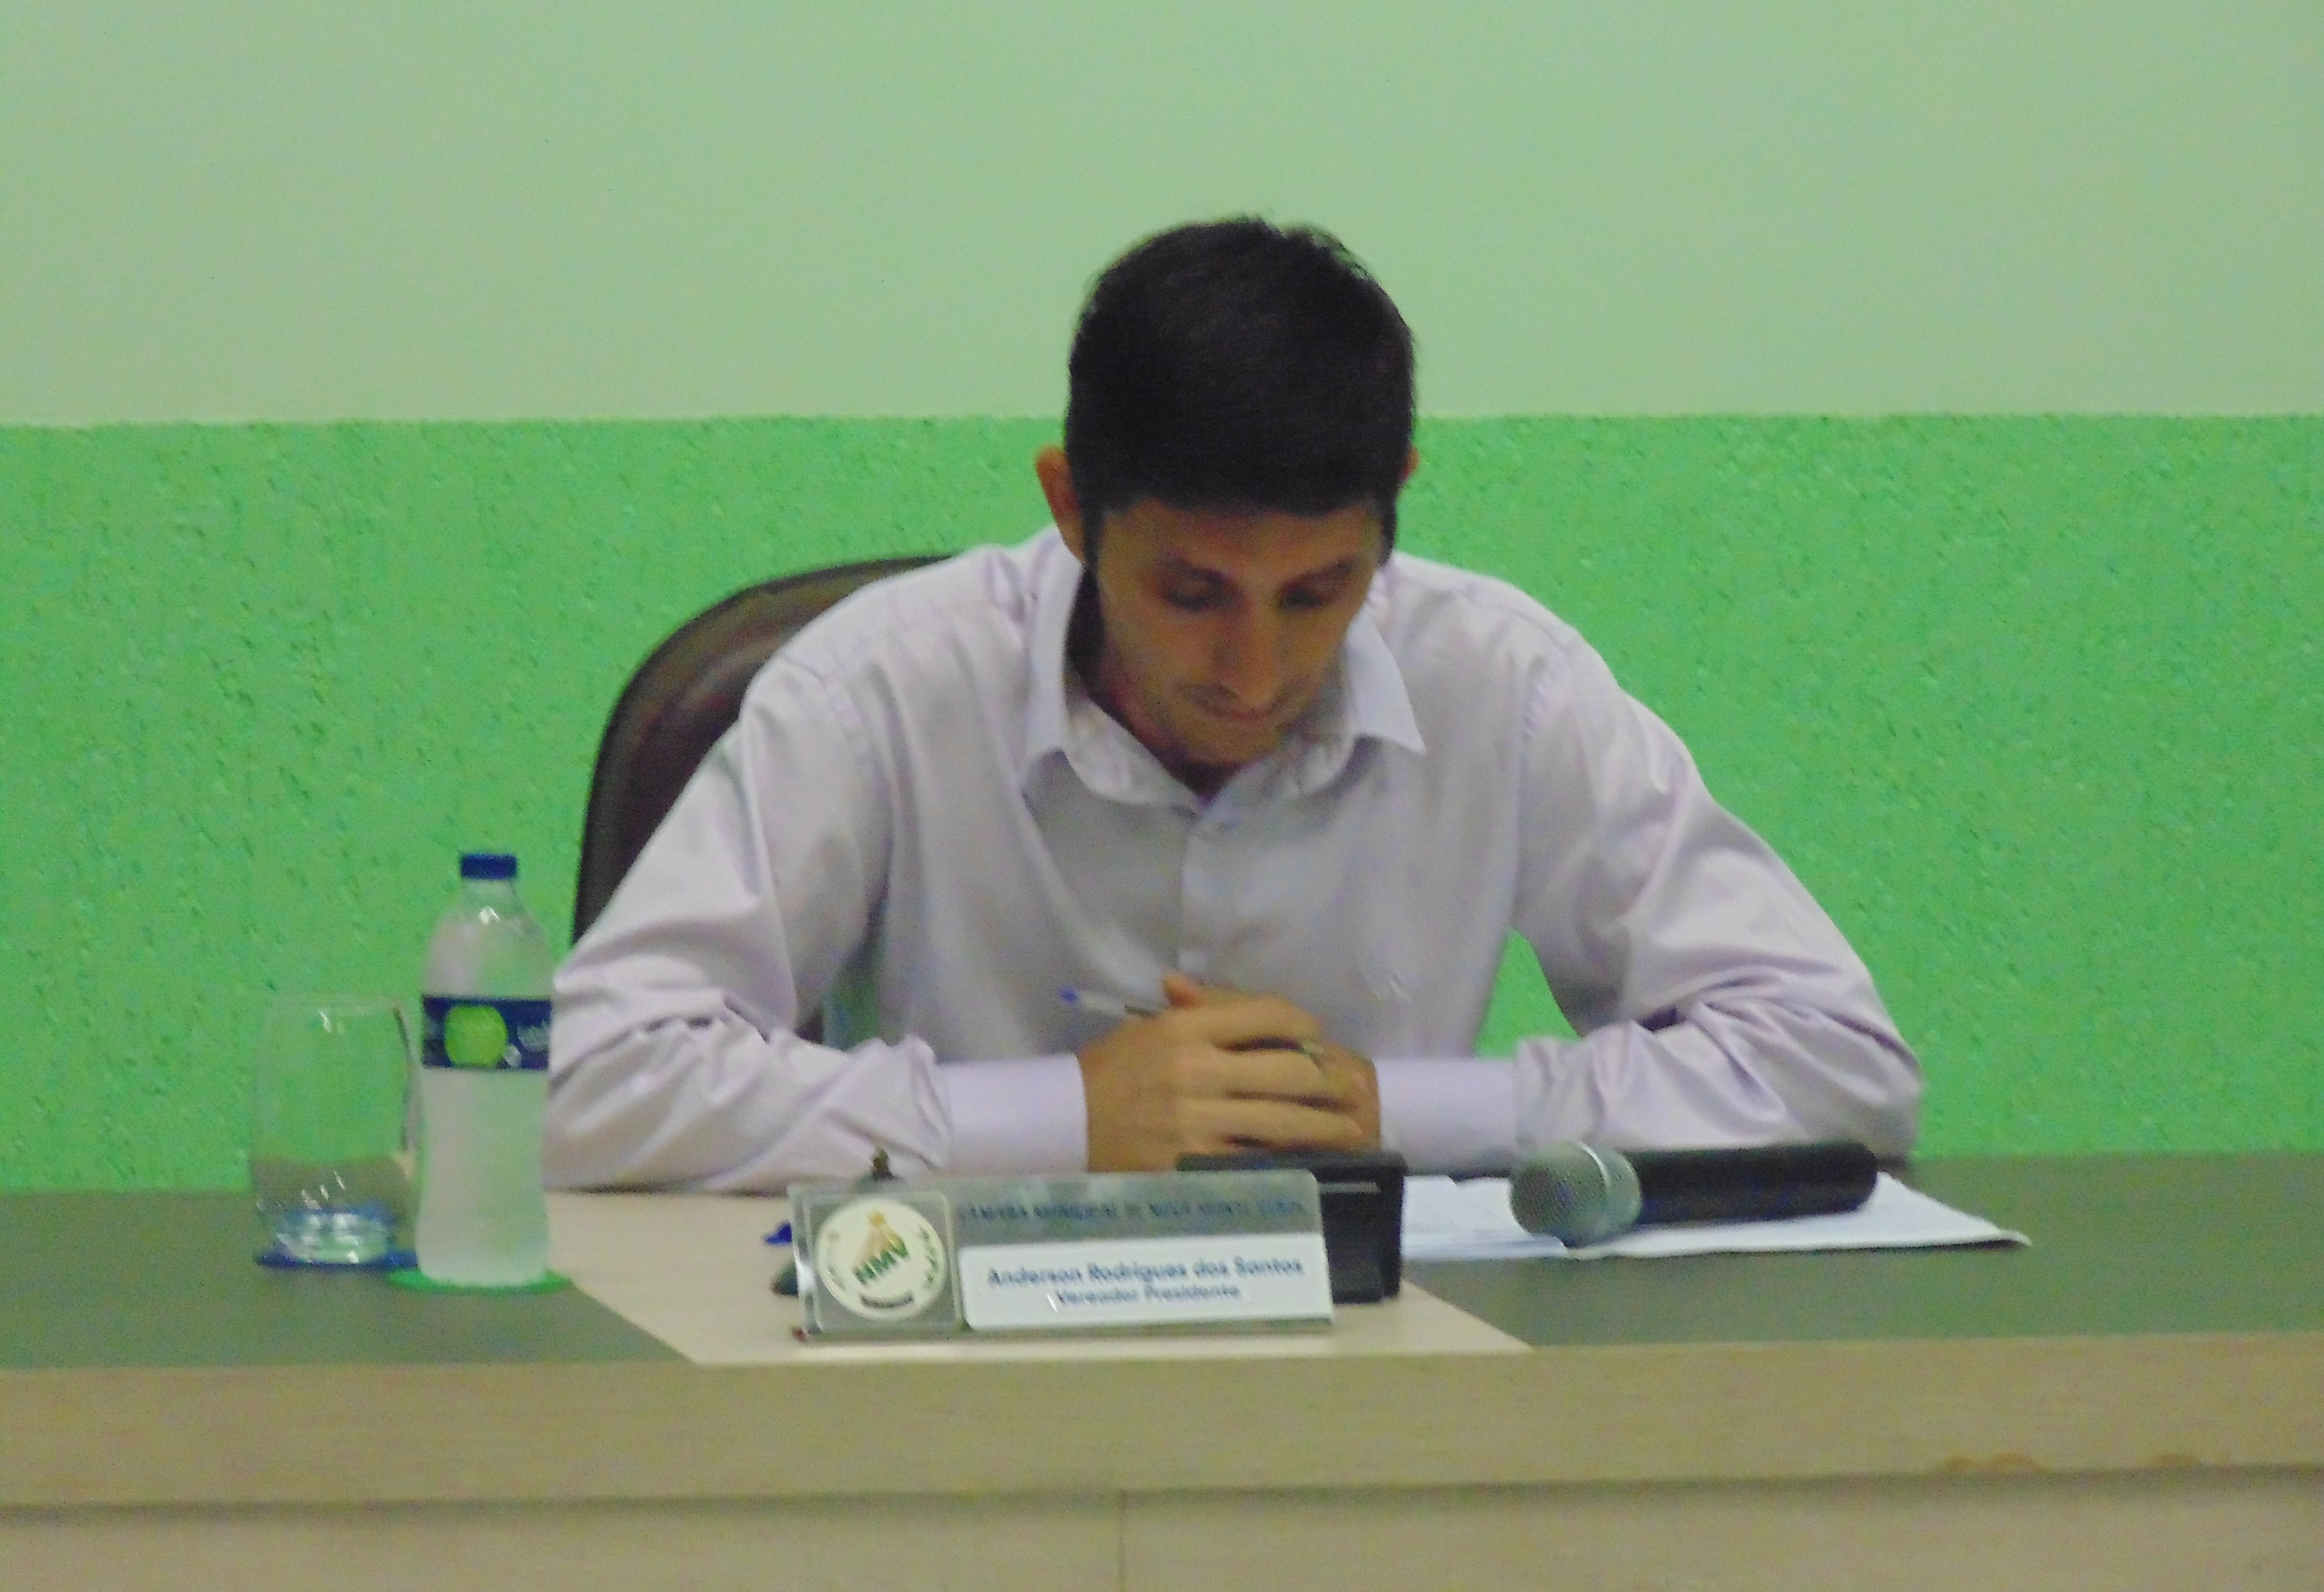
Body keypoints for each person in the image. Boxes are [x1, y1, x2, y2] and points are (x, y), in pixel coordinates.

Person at [547, 219, 1919, 1189]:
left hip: (1381, 1377)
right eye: (1192, 593)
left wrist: (1398, 1111)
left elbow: (1839, 1067)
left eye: (1317, 593)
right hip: (952, 1378)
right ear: (1071, 506)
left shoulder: (1503, 684)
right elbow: (582, 1081)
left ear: (1390, 512)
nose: (1253, 673)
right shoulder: (880, 687)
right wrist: (1060, 1120)